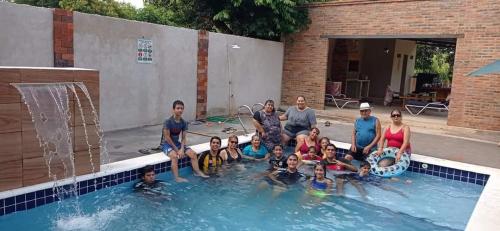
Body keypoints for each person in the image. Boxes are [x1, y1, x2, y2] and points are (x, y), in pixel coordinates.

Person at [161, 100, 208, 182]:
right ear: (173, 109)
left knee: (193, 154)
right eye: (178, 108)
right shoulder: (168, 121)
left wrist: (182, 149)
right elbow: (167, 138)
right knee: (174, 156)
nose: (180, 110)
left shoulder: (184, 122)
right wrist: (177, 150)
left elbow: (183, 138)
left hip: (177, 144)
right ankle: (177, 178)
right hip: (166, 144)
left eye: (181, 108)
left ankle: (197, 171)